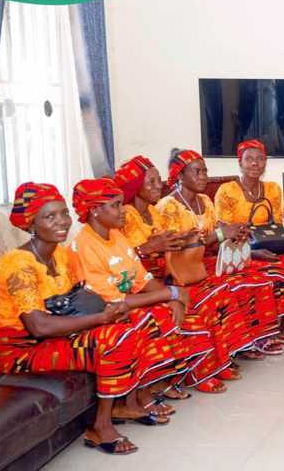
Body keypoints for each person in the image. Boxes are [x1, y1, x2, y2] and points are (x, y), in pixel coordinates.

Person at [0, 183, 152, 454]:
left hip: (59, 335)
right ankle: (100, 427)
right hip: (22, 351)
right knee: (113, 337)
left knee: (133, 322)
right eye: (49, 216)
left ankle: (129, 402)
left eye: (64, 213)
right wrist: (102, 318)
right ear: (31, 223)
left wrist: (110, 312)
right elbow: (39, 326)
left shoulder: (61, 256)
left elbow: (79, 301)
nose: (62, 222)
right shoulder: (17, 263)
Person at [67, 177, 214, 419]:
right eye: (115, 205)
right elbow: (111, 303)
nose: (122, 210)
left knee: (175, 309)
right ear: (94, 210)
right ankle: (134, 398)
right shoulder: (83, 246)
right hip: (100, 313)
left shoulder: (116, 236)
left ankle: (152, 386)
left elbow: (142, 280)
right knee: (150, 319)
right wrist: (168, 294)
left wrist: (171, 298)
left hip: (123, 304)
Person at [156, 150, 281, 370]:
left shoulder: (205, 200)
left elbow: (214, 242)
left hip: (208, 261)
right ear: (180, 175)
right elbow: (177, 248)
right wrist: (223, 234)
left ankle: (254, 338)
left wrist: (237, 236)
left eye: (205, 171)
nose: (204, 176)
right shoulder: (168, 206)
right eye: (197, 172)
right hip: (181, 270)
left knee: (257, 278)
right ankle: (229, 348)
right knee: (229, 286)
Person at [214, 139, 284, 348]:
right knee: (264, 275)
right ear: (240, 162)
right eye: (249, 159)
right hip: (240, 251)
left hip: (269, 247)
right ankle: (260, 335)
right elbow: (224, 231)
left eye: (260, 159)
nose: (255, 164)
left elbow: (277, 227)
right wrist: (252, 252)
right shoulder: (227, 190)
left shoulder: (273, 189)